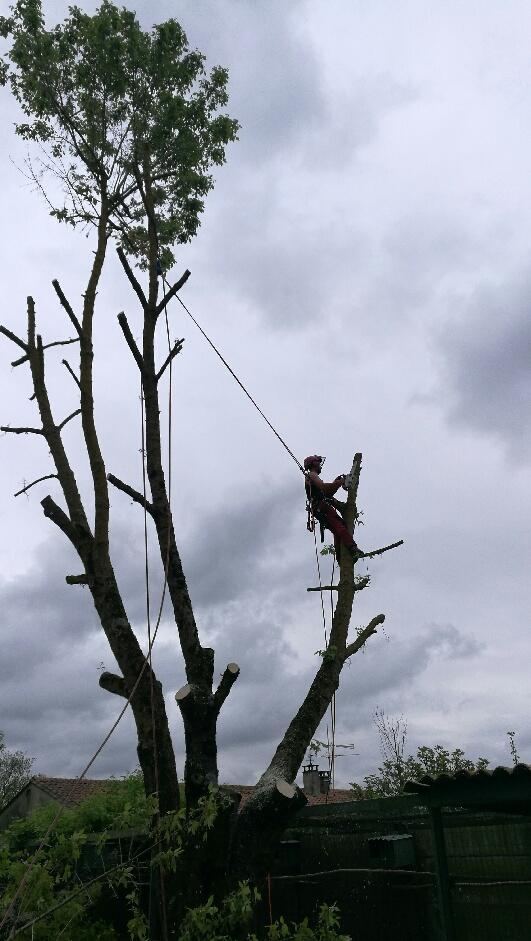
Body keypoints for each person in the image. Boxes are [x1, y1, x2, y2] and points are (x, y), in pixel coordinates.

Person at [304, 455, 363, 562]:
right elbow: (325, 489)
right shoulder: (312, 475)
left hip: (321, 508)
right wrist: (340, 482)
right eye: (318, 462)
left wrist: (336, 483)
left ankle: (341, 558)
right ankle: (353, 548)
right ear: (314, 464)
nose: (320, 465)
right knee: (339, 526)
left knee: (338, 529)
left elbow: (327, 493)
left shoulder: (313, 477)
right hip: (321, 508)